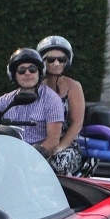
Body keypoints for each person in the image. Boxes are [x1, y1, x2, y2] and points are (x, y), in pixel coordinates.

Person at [0, 48, 64, 157]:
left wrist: (35, 154)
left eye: (32, 69)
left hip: (36, 158)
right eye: (21, 70)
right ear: (14, 74)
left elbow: (53, 139)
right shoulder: (7, 99)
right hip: (7, 155)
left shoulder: (52, 100)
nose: (27, 73)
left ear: (40, 72)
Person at [38, 35, 86, 176]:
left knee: (58, 163)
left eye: (61, 59)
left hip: (67, 144)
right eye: (51, 59)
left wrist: (61, 146)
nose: (56, 63)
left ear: (67, 62)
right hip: (41, 142)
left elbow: (77, 123)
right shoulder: (37, 87)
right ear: (42, 61)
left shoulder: (73, 86)